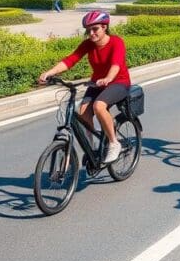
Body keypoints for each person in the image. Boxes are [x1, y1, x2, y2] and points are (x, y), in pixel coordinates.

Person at [38, 11, 130, 164]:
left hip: (119, 82)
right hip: (97, 83)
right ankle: (92, 147)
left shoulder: (116, 42)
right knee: (82, 113)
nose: (91, 33)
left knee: (99, 106)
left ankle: (114, 143)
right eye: (88, 30)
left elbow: (116, 64)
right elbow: (71, 60)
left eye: (95, 29)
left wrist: (108, 78)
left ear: (104, 27)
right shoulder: (88, 44)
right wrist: (49, 73)